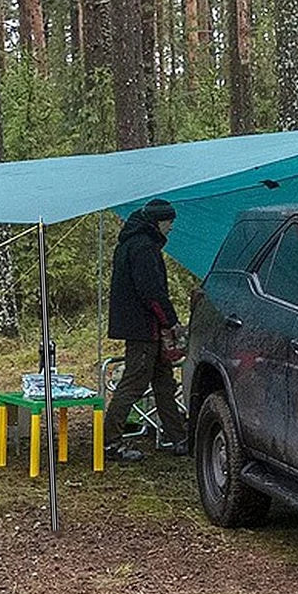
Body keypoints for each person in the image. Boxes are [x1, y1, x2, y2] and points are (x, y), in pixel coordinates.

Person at [104, 198, 188, 462]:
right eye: (169, 221)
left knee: (164, 383)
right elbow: (152, 292)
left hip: (144, 327)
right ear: (158, 221)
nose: (171, 227)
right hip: (144, 329)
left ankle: (179, 438)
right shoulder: (143, 247)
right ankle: (110, 442)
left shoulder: (132, 243)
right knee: (134, 383)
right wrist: (170, 322)